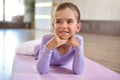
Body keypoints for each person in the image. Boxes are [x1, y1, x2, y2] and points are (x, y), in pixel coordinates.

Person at [34, 2, 84, 75]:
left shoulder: (78, 41)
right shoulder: (46, 40)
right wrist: (48, 48)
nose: (63, 26)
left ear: (78, 27)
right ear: (53, 26)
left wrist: (78, 47)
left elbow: (78, 71)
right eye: (58, 21)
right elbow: (41, 71)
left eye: (69, 21)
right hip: (38, 50)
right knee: (24, 49)